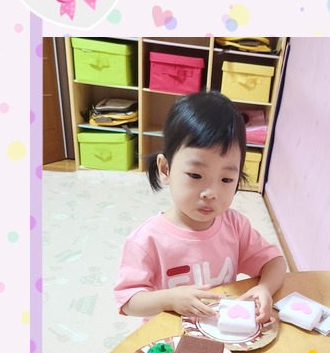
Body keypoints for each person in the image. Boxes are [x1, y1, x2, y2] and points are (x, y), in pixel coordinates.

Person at [114, 90, 286, 322]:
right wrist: (169, 299)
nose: (211, 193)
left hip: (221, 330)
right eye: (195, 175)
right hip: (170, 335)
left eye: (226, 179)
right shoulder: (147, 240)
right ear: (165, 169)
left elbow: (275, 262)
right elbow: (128, 301)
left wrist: (264, 288)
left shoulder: (235, 226)